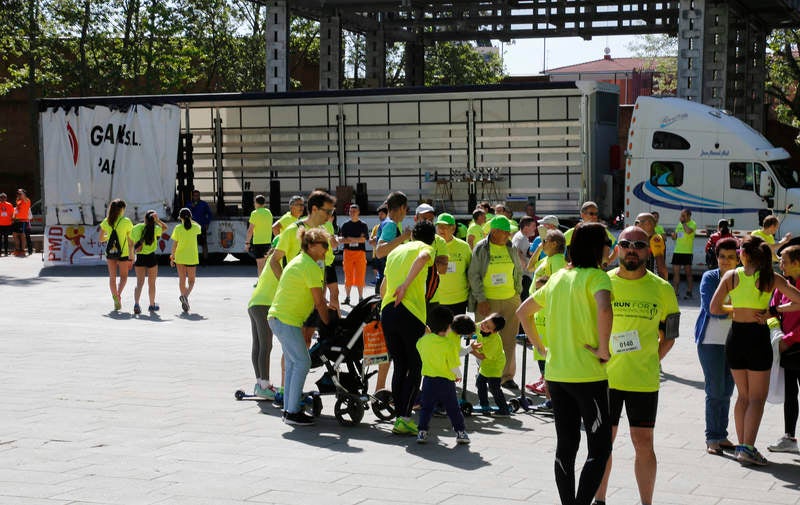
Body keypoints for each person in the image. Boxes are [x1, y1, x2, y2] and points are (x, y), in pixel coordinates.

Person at [517, 222, 613, 505]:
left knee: (567, 445)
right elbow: (604, 307)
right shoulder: (598, 277)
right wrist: (603, 348)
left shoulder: (559, 278)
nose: (610, 248)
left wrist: (541, 348)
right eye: (608, 243)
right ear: (599, 248)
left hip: (557, 375)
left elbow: (524, 312)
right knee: (599, 448)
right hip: (588, 375)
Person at [594, 226, 680, 505]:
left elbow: (671, 335)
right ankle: (600, 500)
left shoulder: (662, 288)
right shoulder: (601, 282)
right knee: (602, 445)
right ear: (617, 248)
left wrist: (651, 359)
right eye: (626, 243)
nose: (632, 249)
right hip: (603, 379)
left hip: (642, 380)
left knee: (643, 444)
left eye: (639, 244)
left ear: (648, 250)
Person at [710, 235, 800, 465]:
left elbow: (714, 307)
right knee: (757, 399)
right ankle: (748, 449)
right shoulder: (772, 277)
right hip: (757, 338)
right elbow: (799, 301)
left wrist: (737, 307)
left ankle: (743, 446)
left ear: (744, 254)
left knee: (743, 396)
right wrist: (774, 309)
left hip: (735, 337)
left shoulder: (731, 275)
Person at [381, 220, 444, 436]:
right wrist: (406, 286)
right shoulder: (426, 248)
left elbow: (383, 286)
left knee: (400, 364)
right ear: (432, 238)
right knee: (415, 366)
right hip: (409, 310)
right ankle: (405, 417)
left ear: (411, 236)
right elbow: (423, 258)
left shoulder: (396, 252)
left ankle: (400, 417)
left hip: (388, 310)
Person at [268, 227, 331, 426]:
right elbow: (319, 301)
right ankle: (292, 412)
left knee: (294, 363)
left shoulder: (299, 260)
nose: (326, 250)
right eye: (324, 246)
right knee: (302, 362)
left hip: (280, 318)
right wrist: (328, 324)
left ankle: (289, 409)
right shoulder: (310, 266)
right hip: (286, 320)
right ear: (311, 246)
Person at [468, 215, 523, 390]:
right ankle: (484, 374)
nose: (508, 236)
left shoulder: (511, 247)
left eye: (509, 233)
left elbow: (518, 271)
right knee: (486, 340)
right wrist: (481, 299)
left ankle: (506, 377)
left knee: (509, 340)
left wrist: (517, 292)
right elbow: (474, 275)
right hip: (488, 301)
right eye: (505, 233)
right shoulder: (481, 248)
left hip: (510, 299)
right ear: (494, 232)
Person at [695, 237, 739, 455]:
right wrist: (739, 308)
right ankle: (712, 437)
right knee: (715, 390)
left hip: (735, 342)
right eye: (722, 257)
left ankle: (722, 435)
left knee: (727, 391)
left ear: (739, 258)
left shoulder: (744, 278)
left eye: (731, 257)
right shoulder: (709, 277)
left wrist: (729, 307)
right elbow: (712, 309)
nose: (726, 261)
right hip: (710, 342)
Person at [415, 305, 473, 444]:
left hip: (428, 380)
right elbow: (453, 364)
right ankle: (460, 432)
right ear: (448, 327)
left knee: (426, 408)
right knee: (453, 408)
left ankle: (422, 432)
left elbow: (419, 348)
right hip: (446, 381)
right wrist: (458, 375)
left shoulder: (423, 341)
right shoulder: (449, 344)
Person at [767, 245, 800, 454]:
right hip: (787, 349)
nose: (781, 265)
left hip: (794, 344)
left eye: (784, 261)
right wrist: (776, 335)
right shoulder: (782, 285)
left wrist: (789, 339)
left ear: (797, 263)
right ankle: (789, 437)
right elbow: (771, 312)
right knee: (790, 394)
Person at [248, 240, 280, 401]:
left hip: (254, 303)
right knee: (266, 346)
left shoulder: (270, 261)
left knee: (258, 345)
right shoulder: (278, 263)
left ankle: (260, 383)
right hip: (264, 305)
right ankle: (264, 386)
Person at [472, 313, 512, 417]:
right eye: (485, 321)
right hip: (486, 364)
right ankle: (484, 404)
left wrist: (471, 350)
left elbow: (482, 356)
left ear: (494, 331)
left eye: (488, 326)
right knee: (480, 383)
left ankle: (504, 410)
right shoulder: (482, 326)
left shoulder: (494, 340)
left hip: (495, 365)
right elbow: (472, 327)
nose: (483, 325)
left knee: (494, 387)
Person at [99, 199, 134, 311]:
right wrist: (131, 257)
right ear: (122, 209)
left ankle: (115, 297)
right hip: (123, 253)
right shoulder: (126, 221)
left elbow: (100, 239)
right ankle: (118, 294)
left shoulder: (106, 221)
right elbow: (130, 241)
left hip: (110, 253)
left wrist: (109, 237)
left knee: (112, 277)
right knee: (124, 276)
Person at [434, 213, 471, 315]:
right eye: (439, 226)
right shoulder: (430, 246)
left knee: (457, 330)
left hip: (459, 299)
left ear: (453, 228)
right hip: (437, 299)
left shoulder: (464, 247)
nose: (441, 229)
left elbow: (470, 270)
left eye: (444, 226)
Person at [131, 210, 167, 314]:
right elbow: (165, 228)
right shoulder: (155, 228)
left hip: (140, 257)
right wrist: (158, 220)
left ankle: (136, 304)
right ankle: (152, 305)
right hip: (151, 257)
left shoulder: (137, 227)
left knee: (139, 283)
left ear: (145, 218)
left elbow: (131, 240)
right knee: (152, 283)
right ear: (154, 220)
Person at [564, 201, 617, 265]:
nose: (594, 216)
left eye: (596, 214)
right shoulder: (573, 232)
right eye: (591, 213)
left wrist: (607, 262)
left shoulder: (602, 231)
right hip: (577, 272)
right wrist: (565, 265)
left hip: (596, 272)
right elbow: (556, 247)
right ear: (582, 215)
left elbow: (617, 247)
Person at [170, 208, 201, 313]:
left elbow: (174, 245)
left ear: (180, 218)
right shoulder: (195, 227)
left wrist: (172, 257)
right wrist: (190, 220)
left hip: (180, 257)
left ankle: (184, 299)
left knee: (182, 279)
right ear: (190, 217)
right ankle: (185, 297)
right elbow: (200, 227)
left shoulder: (178, 228)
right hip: (191, 257)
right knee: (191, 281)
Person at [340, 204, 370, 305]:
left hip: (360, 253)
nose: (352, 213)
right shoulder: (345, 225)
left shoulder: (363, 225)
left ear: (358, 212)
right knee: (348, 276)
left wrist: (350, 239)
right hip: (347, 253)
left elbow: (363, 239)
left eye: (354, 211)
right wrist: (356, 239)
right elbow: (342, 240)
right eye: (350, 211)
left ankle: (361, 298)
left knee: (360, 276)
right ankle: (347, 297)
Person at [245, 194, 274, 277]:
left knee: (260, 265)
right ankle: (264, 282)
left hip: (258, 242)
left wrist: (247, 243)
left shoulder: (254, 213)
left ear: (256, 203)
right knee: (265, 264)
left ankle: (260, 283)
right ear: (264, 203)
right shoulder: (269, 212)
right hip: (268, 241)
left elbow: (250, 230)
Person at [671, 208, 697, 299]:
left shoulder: (692, 223)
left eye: (683, 215)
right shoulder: (679, 224)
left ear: (689, 216)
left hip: (687, 252)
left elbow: (688, 231)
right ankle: (675, 292)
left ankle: (689, 291)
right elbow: (676, 237)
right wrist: (674, 236)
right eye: (681, 215)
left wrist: (683, 223)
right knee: (676, 273)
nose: (681, 217)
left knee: (688, 273)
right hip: (677, 251)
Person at [634, 212, 668, 279]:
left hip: (652, 280)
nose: (635, 225)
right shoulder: (646, 238)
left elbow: (661, 267)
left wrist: (663, 285)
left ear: (648, 223)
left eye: (637, 222)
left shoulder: (655, 239)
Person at [512, 216, 536, 299]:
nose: (535, 228)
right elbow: (517, 253)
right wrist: (527, 267)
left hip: (522, 276)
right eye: (533, 226)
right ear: (526, 227)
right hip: (523, 278)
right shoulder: (521, 238)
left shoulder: (521, 237)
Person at [187, 189, 212, 263]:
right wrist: (192, 207)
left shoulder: (204, 204)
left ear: (199, 196)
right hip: (191, 228)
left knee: (204, 243)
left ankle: (205, 260)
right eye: (195, 196)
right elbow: (184, 214)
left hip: (202, 227)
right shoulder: (188, 204)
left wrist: (207, 223)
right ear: (192, 196)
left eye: (198, 196)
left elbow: (209, 214)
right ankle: (193, 260)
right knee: (192, 244)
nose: (196, 197)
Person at [369, 204, 389, 284]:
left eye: (382, 214)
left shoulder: (390, 226)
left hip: (386, 255)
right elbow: (371, 241)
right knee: (378, 273)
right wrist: (374, 240)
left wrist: (376, 239)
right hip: (376, 254)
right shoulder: (376, 227)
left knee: (386, 275)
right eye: (379, 214)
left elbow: (384, 240)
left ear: (387, 214)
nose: (380, 216)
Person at [13, 189, 31, 257]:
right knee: (15, 235)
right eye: (18, 193)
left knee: (23, 236)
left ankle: (22, 251)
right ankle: (17, 250)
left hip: (23, 221)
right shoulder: (18, 200)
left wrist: (21, 193)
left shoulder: (27, 200)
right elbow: (17, 210)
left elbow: (24, 197)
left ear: (24, 194)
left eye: (20, 193)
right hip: (17, 221)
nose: (19, 194)